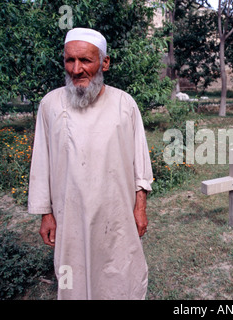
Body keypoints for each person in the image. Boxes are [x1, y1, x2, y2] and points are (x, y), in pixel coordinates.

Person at [28, 28, 153, 300]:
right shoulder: (50, 104)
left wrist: (140, 207)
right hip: (68, 213)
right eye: (69, 60)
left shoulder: (124, 104)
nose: (76, 69)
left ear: (104, 63)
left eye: (85, 60)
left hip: (116, 213)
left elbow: (140, 163)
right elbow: (41, 164)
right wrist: (45, 213)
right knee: (72, 277)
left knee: (119, 272)